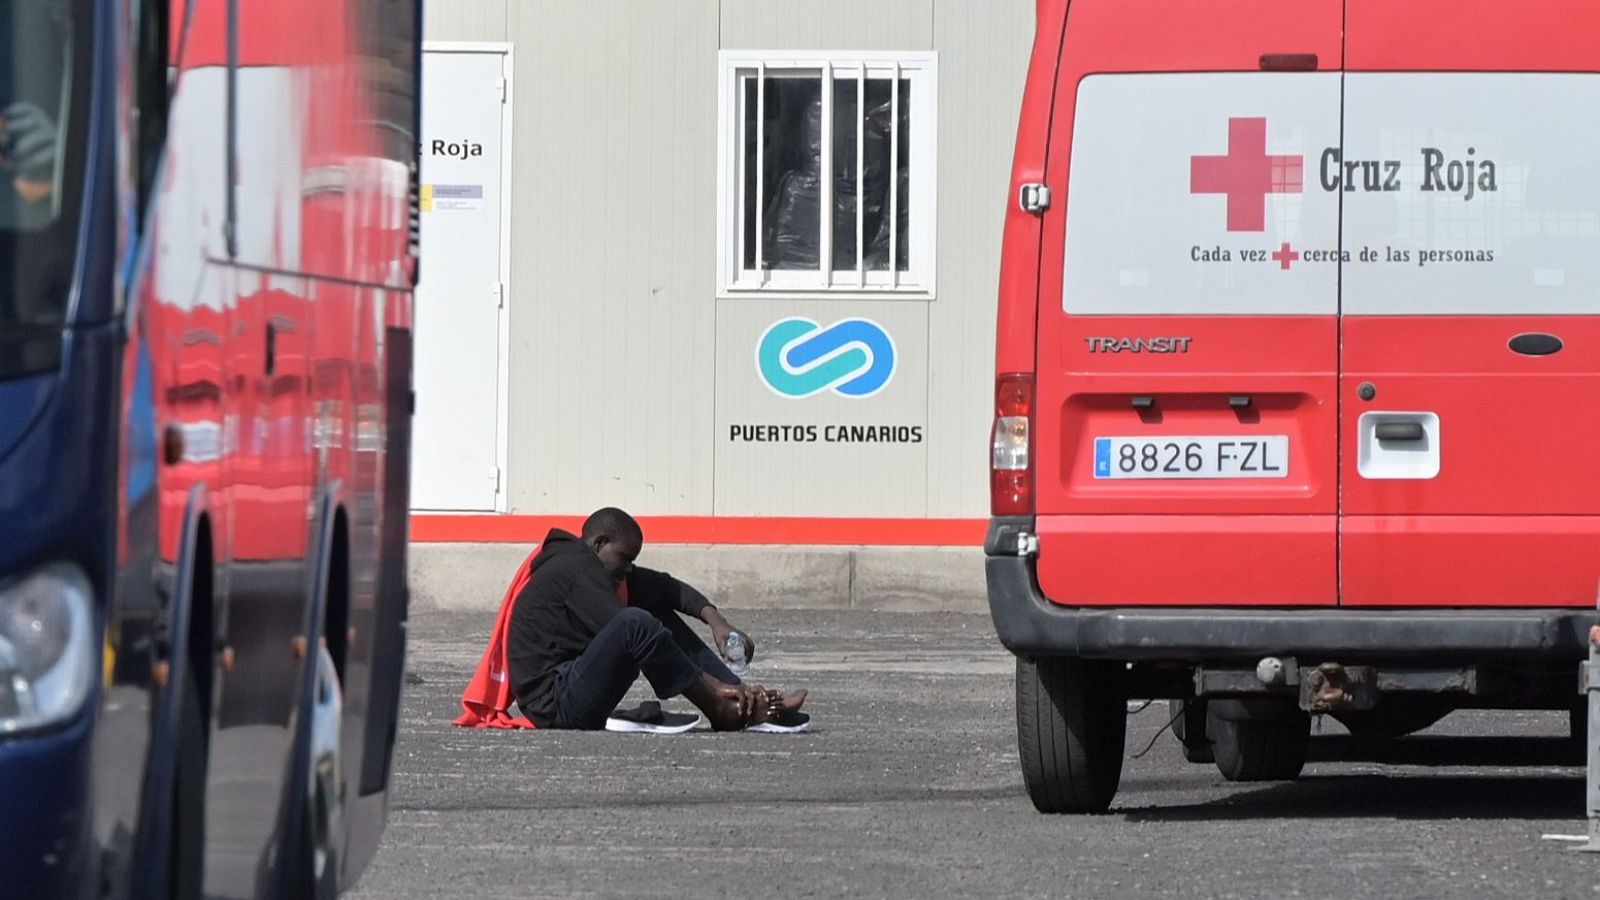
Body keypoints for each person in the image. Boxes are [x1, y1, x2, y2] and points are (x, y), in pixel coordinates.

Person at [507, 507, 807, 731]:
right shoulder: (576, 570)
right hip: (556, 704)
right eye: (625, 558)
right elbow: (635, 632)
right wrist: (710, 686)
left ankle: (738, 695)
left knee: (654, 612)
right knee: (638, 623)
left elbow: (666, 589)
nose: (628, 569)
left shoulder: (592, 566)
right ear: (599, 543)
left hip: (571, 684)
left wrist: (716, 622)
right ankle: (722, 706)